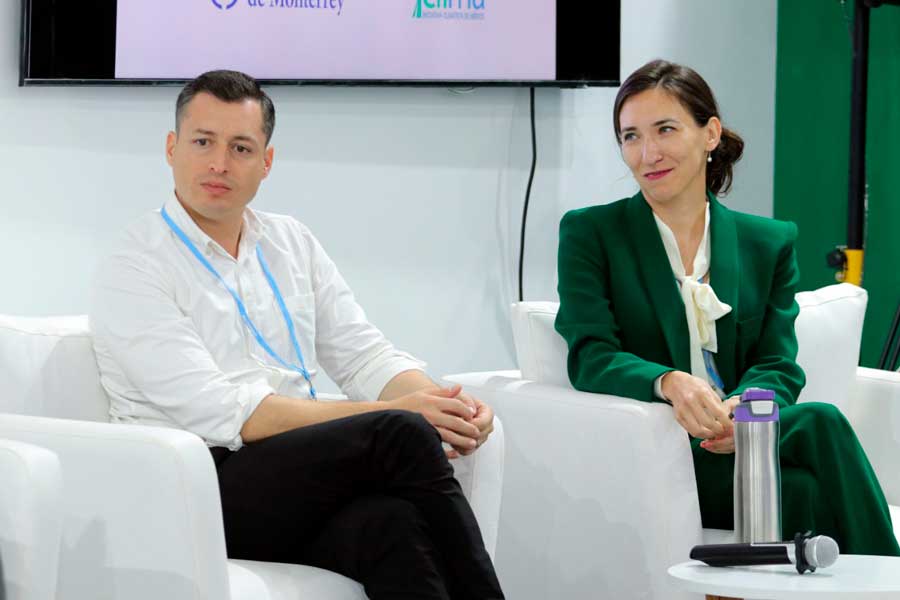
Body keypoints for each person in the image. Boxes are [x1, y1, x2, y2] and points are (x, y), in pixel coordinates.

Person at [90, 70, 504, 600]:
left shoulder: (289, 241)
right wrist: (406, 416)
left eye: (240, 147)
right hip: (195, 483)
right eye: (202, 142)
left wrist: (445, 403)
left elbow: (363, 356)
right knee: (400, 433)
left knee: (392, 524)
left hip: (293, 473)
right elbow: (229, 412)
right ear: (172, 149)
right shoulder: (135, 263)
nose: (219, 163)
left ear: (266, 162)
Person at [554, 59, 900, 556]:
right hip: (666, 451)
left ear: (709, 133)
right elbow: (590, 354)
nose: (647, 153)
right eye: (630, 137)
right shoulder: (591, 233)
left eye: (665, 130)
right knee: (821, 425)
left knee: (806, 487)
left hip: (748, 444)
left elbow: (778, 363)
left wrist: (750, 413)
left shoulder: (770, 242)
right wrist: (669, 382)